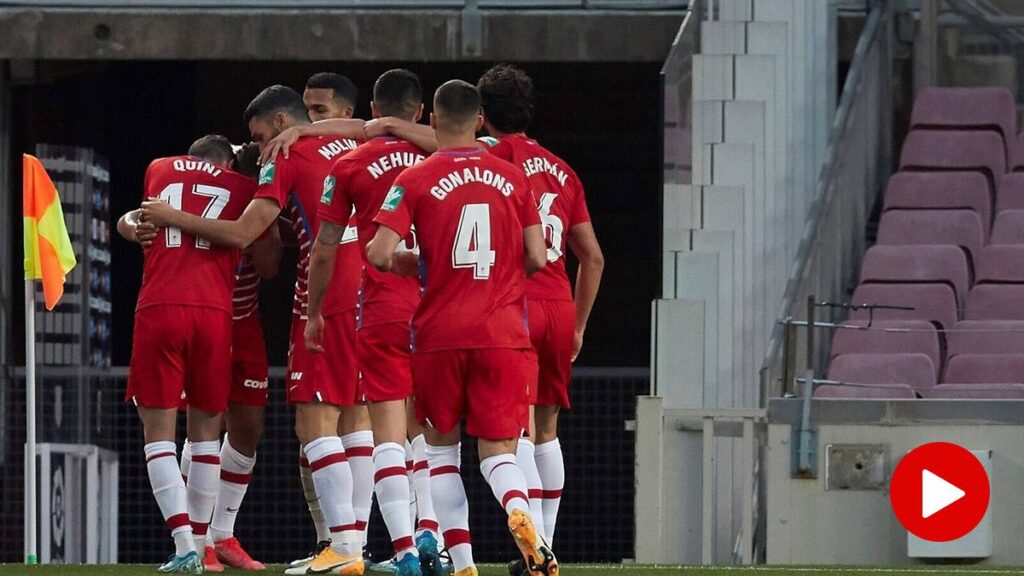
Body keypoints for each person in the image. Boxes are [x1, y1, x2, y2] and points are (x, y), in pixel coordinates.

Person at [142, 85, 366, 576]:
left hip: (284, 307)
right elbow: (380, 127)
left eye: (263, 136)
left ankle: (230, 537)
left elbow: (261, 258)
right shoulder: (354, 143)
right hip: (371, 289)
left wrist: (166, 218)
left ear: (282, 126)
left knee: (291, 424)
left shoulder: (269, 167)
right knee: (361, 421)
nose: (261, 147)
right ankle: (205, 541)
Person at [366, 80, 555, 576]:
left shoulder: (415, 177)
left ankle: (466, 567)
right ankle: (519, 511)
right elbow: (538, 255)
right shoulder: (514, 178)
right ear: (478, 120)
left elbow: (379, 253)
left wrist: (418, 263)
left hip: (439, 335)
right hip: (503, 333)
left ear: (431, 120)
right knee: (499, 453)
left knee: (442, 455)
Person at [119, 143, 279, 572]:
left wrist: (143, 220)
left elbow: (143, 213)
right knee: (206, 438)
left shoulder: (159, 167)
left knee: (160, 436)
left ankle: (188, 544)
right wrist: (131, 224)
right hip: (215, 314)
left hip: (162, 307)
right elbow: (134, 219)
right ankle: (204, 542)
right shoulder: (245, 188)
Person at [307, 69, 440, 576]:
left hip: (381, 308)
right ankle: (434, 537)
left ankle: (404, 551)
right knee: (430, 436)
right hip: (436, 309)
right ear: (421, 112)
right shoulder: (440, 155)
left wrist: (316, 311)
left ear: (373, 110)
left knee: (386, 434)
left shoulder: (350, 162)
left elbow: (324, 249)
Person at [477, 64, 604, 558]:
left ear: (482, 115)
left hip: (517, 305)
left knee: (517, 432)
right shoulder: (562, 169)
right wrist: (579, 326)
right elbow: (592, 256)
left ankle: (536, 550)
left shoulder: (491, 157)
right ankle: (547, 546)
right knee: (548, 429)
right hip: (559, 307)